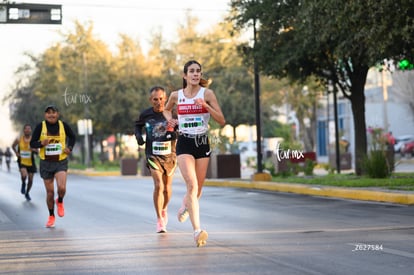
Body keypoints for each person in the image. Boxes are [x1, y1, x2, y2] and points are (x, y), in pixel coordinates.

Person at [163, 60, 226, 247]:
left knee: (197, 189)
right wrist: (172, 120)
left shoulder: (207, 94)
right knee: (191, 184)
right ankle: (197, 231)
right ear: (185, 75)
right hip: (184, 142)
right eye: (192, 71)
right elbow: (166, 110)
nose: (196, 74)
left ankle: (185, 204)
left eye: (198, 71)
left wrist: (206, 106)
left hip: (201, 142)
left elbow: (221, 120)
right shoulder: (176, 95)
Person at [135, 86, 178, 233]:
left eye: (161, 99)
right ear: (150, 100)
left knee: (167, 188)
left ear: (165, 98)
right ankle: (159, 219)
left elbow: (180, 130)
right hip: (152, 154)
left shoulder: (171, 114)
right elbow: (137, 125)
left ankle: (164, 208)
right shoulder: (146, 114)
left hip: (170, 155)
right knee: (158, 185)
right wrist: (139, 136)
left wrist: (174, 135)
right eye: (155, 99)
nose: (158, 102)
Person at [30, 105, 76, 228]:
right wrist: (41, 143)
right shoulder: (41, 126)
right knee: (50, 192)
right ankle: (51, 216)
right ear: (45, 115)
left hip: (60, 161)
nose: (51, 115)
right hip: (46, 162)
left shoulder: (63, 125)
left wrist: (69, 148)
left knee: (62, 188)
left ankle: (60, 200)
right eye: (48, 113)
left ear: (58, 114)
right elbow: (32, 143)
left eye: (53, 112)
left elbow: (72, 137)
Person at [12, 124, 38, 201]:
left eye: (29, 129)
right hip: (22, 161)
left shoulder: (33, 140)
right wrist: (16, 152)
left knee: (30, 180)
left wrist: (33, 149)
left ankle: (27, 192)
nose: (27, 130)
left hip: (31, 162)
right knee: (24, 175)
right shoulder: (19, 139)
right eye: (26, 129)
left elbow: (38, 151)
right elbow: (13, 146)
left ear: (30, 130)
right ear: (24, 130)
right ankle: (23, 183)